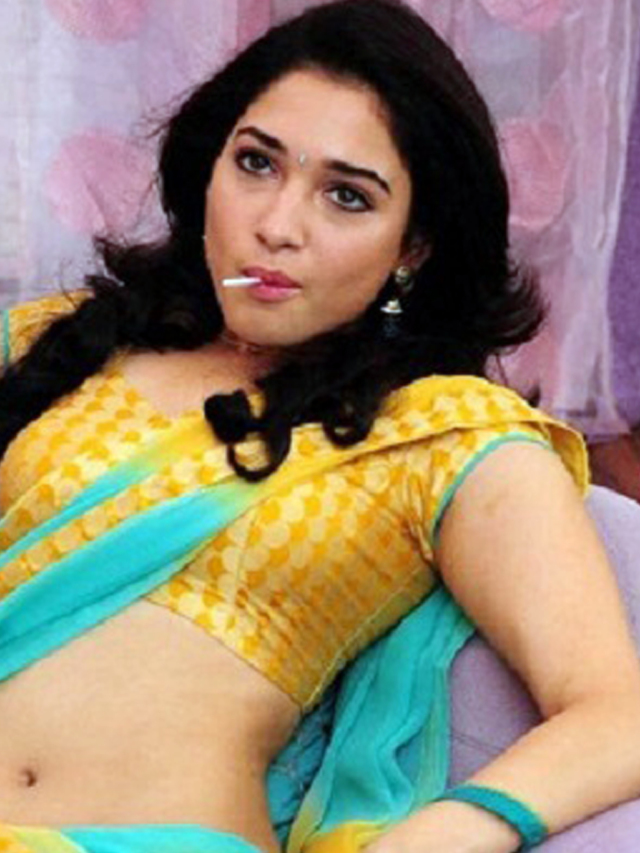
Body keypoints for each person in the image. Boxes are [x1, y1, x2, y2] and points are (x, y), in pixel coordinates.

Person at [1, 1, 640, 851]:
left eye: (347, 196)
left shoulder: (434, 434)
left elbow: (617, 714)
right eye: (255, 163)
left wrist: (442, 834)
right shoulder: (54, 344)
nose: (277, 225)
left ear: (413, 247)